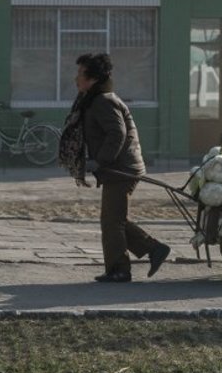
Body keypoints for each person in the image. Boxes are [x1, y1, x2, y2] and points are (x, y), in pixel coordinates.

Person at [66, 53, 170, 283]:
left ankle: (120, 270)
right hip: (121, 166)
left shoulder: (104, 101)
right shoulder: (96, 99)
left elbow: (117, 133)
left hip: (121, 168)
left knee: (112, 221)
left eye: (80, 74)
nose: (76, 79)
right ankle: (153, 249)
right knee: (114, 218)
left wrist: (101, 160)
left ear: (92, 79)